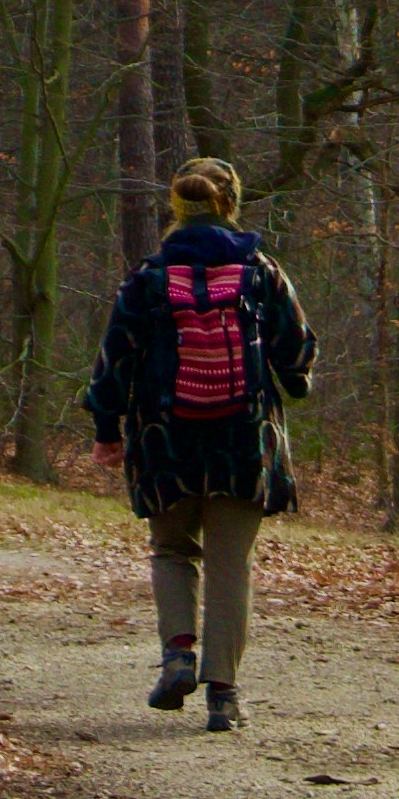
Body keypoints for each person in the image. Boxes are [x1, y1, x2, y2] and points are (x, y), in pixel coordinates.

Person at [85, 157, 314, 732]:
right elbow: (298, 348)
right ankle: (223, 695)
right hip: (246, 438)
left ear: (176, 206)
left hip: (166, 439)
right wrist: (295, 381)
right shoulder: (262, 271)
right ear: (229, 203)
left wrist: (106, 430)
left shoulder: (149, 276)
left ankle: (178, 656)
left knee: (172, 551)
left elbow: (115, 358)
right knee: (230, 563)